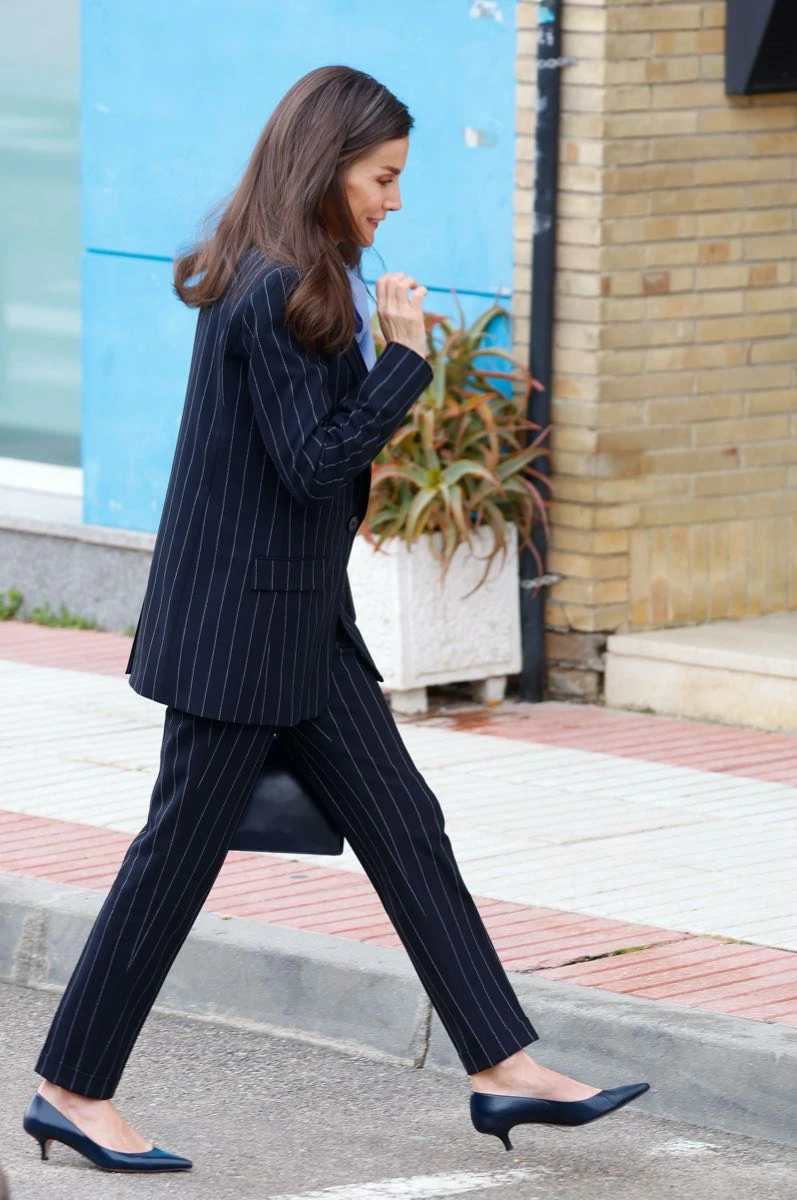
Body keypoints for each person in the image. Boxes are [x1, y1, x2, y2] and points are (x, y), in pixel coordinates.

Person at [22, 66, 648, 1174]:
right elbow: (313, 465)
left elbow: (305, 466)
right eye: (382, 178)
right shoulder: (271, 289)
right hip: (239, 636)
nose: (394, 200)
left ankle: (501, 1066)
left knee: (406, 826)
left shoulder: (298, 279)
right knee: (175, 858)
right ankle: (72, 1088)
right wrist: (404, 361)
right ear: (326, 168)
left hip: (299, 626)